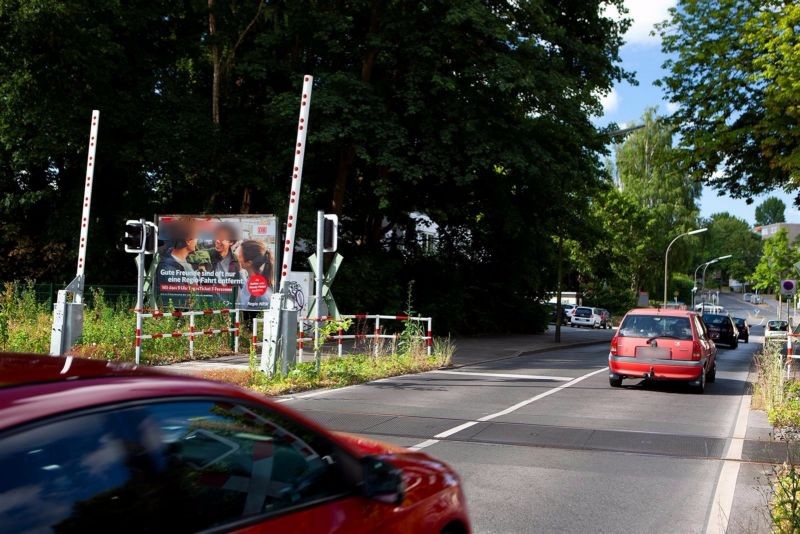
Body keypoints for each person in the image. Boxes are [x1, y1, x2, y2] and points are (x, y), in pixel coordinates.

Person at [236, 240, 273, 309]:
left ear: (249, 263)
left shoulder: (262, 294)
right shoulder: (254, 282)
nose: (236, 259)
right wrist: (240, 271)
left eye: (239, 256)